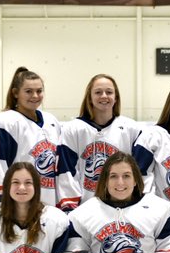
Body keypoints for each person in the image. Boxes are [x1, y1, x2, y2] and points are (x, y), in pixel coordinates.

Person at [57, 74, 141, 211]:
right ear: (89, 97)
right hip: (85, 208)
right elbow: (66, 172)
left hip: (123, 208)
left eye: (109, 92)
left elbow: (139, 172)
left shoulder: (132, 129)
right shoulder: (72, 129)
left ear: (116, 97)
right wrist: (71, 209)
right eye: (98, 92)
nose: (104, 96)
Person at [0, 67, 61, 210]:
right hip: (19, 205)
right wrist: (0, 206)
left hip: (50, 204)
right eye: (28, 91)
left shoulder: (51, 120)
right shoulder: (4, 121)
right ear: (15, 93)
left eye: (39, 91)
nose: (35, 95)